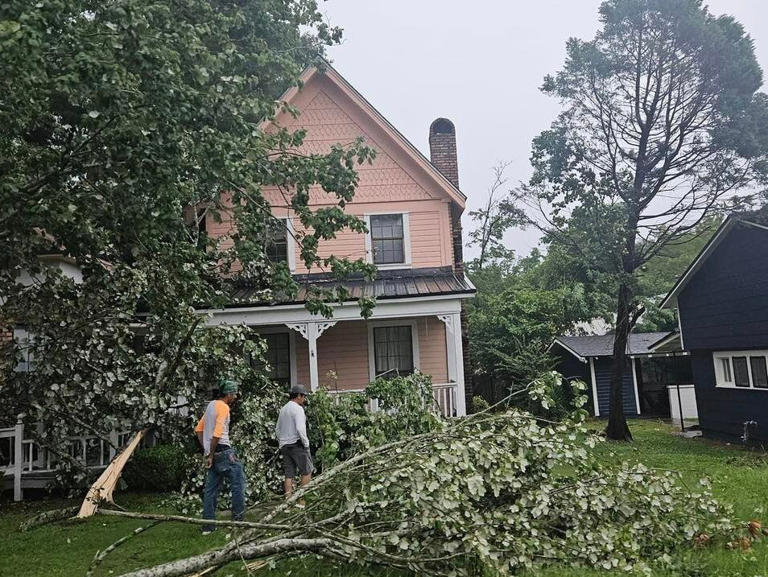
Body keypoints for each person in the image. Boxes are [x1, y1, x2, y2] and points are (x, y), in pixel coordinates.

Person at [195, 377, 246, 534]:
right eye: (234, 394)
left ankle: (208, 527)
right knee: (238, 483)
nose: (236, 397)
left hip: (213, 452)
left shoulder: (210, 406)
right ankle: (238, 522)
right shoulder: (223, 407)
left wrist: (207, 451)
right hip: (224, 451)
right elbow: (217, 433)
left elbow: (198, 429)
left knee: (210, 490)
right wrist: (210, 454)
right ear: (228, 394)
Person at [275, 384, 313, 503]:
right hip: (297, 444)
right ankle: (302, 501)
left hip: (285, 445)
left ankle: (287, 502)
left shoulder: (283, 409)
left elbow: (277, 429)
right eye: (303, 396)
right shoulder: (298, 409)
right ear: (298, 396)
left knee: (289, 474)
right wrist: (306, 444)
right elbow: (300, 429)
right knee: (306, 471)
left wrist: (282, 441)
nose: (304, 399)